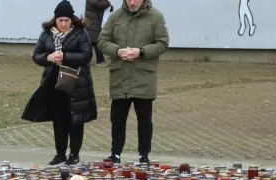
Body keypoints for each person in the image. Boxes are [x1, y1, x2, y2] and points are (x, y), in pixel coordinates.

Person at [21, 0, 97, 166]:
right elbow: (36, 55)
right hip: (53, 82)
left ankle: (74, 154)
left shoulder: (80, 33)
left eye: (67, 21)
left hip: (76, 83)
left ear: (72, 20)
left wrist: (65, 57)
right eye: (60, 20)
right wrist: (48, 58)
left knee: (75, 120)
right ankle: (60, 154)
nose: (63, 24)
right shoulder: (47, 34)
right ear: (55, 20)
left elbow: (86, 56)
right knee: (58, 119)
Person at [97, 0, 169, 166]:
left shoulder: (156, 16)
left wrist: (141, 52)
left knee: (144, 119)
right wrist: (117, 51)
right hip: (120, 77)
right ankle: (115, 154)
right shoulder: (115, 16)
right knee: (117, 118)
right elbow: (102, 41)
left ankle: (144, 155)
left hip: (143, 77)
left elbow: (163, 43)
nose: (132, 2)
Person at [85, 0, 113, 65]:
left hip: (97, 21)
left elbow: (102, 5)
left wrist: (109, 7)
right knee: (91, 42)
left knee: (97, 40)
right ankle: (97, 60)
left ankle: (100, 60)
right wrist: (107, 3)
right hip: (92, 22)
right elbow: (94, 3)